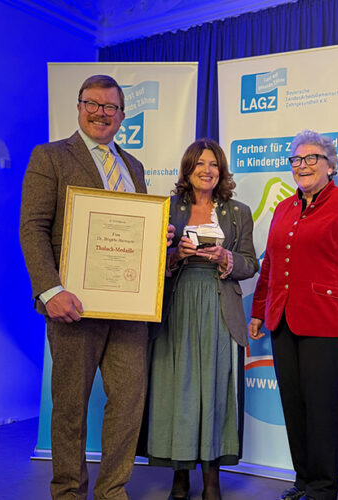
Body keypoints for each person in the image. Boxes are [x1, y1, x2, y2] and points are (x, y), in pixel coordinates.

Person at [19, 74, 174, 500]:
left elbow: (133, 230)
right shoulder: (50, 156)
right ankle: (68, 492)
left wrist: (156, 236)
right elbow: (32, 228)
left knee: (127, 405)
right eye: (93, 104)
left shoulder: (134, 166)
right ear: (79, 106)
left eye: (110, 107)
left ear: (122, 115)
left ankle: (112, 491)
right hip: (73, 304)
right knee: (69, 406)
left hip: (129, 310)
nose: (101, 113)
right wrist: (50, 291)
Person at [247, 129, 338, 500]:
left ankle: (322, 490)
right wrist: (259, 312)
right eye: (296, 160)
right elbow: (270, 264)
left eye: (311, 159)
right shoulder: (284, 208)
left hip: (329, 324)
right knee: (295, 406)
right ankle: (303, 480)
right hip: (283, 321)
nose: (302, 166)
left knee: (322, 410)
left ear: (330, 165)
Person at [148, 138, 258, 500]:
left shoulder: (239, 212)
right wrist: (175, 256)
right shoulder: (166, 210)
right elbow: (148, 266)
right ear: (187, 170)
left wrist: (225, 258)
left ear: (221, 170)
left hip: (218, 304)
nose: (206, 170)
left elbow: (250, 264)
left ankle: (212, 480)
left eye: (213, 164)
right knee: (177, 389)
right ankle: (180, 478)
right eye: (199, 164)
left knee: (214, 390)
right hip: (177, 305)